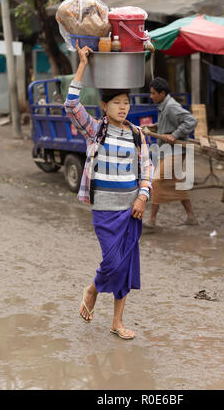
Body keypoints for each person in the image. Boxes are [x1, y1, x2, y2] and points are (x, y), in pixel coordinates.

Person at [64, 42, 153, 340]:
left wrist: (143, 196)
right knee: (112, 262)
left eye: (126, 102)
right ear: (104, 106)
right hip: (105, 210)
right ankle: (92, 289)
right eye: (116, 102)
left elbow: (146, 171)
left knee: (126, 266)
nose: (122, 107)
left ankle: (117, 322)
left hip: (131, 211)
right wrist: (83, 65)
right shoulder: (95, 129)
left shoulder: (137, 135)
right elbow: (71, 106)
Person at [143, 77, 198, 228]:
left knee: (157, 181)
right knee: (176, 183)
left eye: (153, 93)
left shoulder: (171, 106)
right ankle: (191, 217)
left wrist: (175, 135)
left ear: (162, 93)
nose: (151, 96)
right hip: (168, 151)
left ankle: (152, 220)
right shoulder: (164, 105)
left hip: (176, 151)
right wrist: (156, 126)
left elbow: (191, 121)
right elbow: (169, 123)